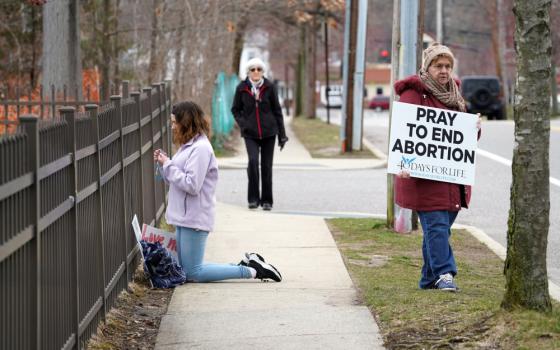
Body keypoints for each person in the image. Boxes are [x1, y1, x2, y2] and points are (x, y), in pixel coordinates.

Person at [154, 101, 282, 282]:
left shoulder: (201, 149)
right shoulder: (188, 145)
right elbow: (175, 180)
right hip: (183, 215)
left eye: (175, 122)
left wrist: (168, 164)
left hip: (194, 216)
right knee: (186, 269)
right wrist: (163, 165)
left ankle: (252, 272)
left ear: (187, 122)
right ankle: (247, 265)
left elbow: (192, 185)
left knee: (193, 273)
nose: (172, 126)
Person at [394, 43, 481, 292]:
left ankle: (427, 279)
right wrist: (403, 164)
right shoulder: (413, 94)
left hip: (452, 179)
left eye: (447, 66)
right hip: (423, 179)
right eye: (438, 66)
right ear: (427, 67)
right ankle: (445, 274)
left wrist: (475, 127)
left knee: (438, 229)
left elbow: (463, 137)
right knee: (436, 227)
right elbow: (405, 133)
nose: (444, 71)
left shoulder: (455, 94)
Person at [231, 57, 288, 211]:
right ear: (248, 72)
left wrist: (282, 135)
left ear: (263, 71)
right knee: (253, 162)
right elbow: (235, 109)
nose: (256, 72)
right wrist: (244, 124)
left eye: (259, 69)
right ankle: (253, 199)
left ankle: (267, 200)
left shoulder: (270, 87)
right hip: (250, 134)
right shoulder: (241, 88)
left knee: (267, 166)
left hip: (269, 132)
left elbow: (277, 111)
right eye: (253, 69)